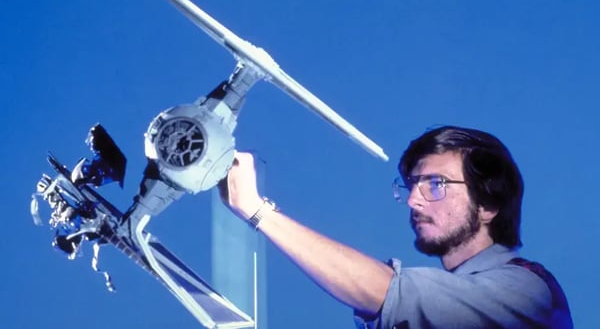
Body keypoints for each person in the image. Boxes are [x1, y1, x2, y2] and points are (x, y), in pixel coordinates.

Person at [218, 125, 573, 328]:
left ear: (488, 205)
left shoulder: (527, 292)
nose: (415, 200)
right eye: (412, 185)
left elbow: (391, 294)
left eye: (436, 185)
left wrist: (256, 209)